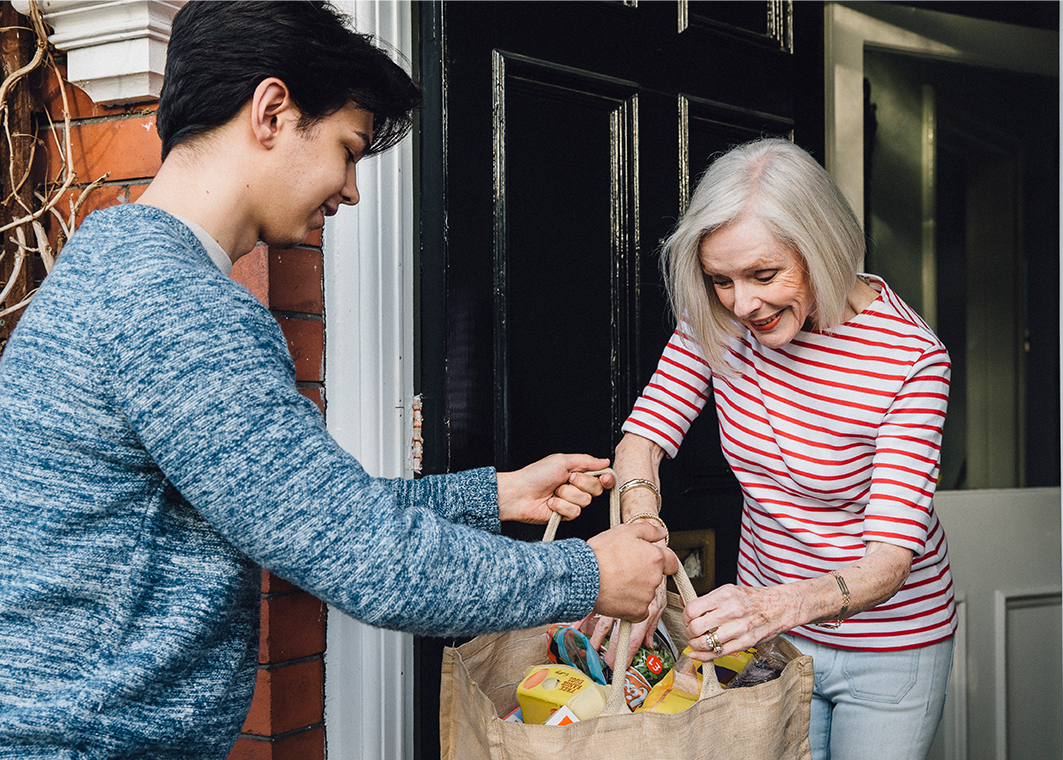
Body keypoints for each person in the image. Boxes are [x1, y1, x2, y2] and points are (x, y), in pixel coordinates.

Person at [0, 3, 676, 758]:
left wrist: (494, 495)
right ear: (272, 111)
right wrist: (586, 573)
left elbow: (302, 510)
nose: (352, 190)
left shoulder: (119, 266)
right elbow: (367, 557)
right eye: (348, 150)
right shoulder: (178, 309)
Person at [592, 138, 956, 760]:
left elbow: (891, 559)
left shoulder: (910, 359)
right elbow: (643, 442)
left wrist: (775, 608)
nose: (743, 304)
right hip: (769, 633)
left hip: (891, 643)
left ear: (823, 247)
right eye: (721, 280)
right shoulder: (719, 318)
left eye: (765, 275)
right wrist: (642, 543)